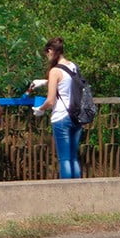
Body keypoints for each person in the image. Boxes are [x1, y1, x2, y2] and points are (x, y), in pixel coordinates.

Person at [31, 37, 83, 179]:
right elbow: (67, 83)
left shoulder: (55, 71)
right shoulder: (73, 66)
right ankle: (79, 190)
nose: (47, 57)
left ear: (50, 51)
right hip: (76, 116)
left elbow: (50, 100)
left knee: (64, 159)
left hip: (61, 118)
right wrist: (46, 82)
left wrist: (40, 109)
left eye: (47, 54)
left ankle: (66, 193)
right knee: (73, 158)